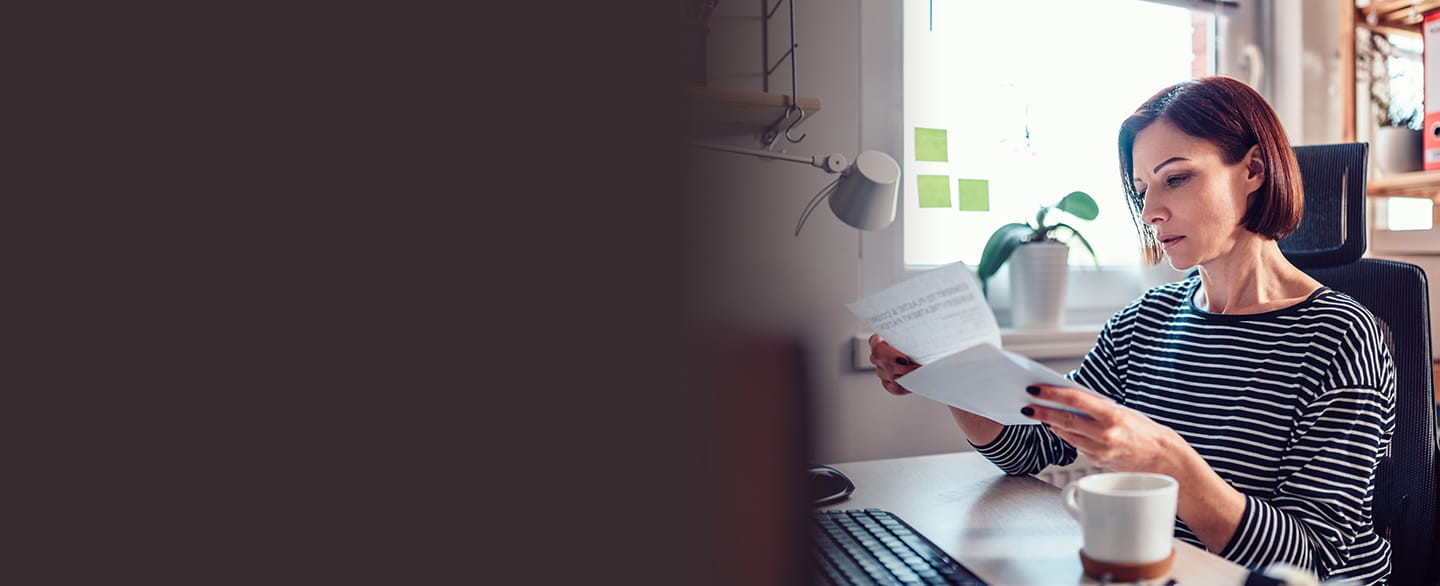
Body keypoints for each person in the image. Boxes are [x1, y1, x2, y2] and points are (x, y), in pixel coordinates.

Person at [869, 76, 1395, 584]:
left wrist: (1170, 463)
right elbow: (1030, 448)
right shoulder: (1143, 322)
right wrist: (949, 376)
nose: (1149, 212)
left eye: (1176, 178)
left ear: (1253, 169)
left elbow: (1312, 562)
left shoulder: (1342, 337)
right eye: (1142, 189)